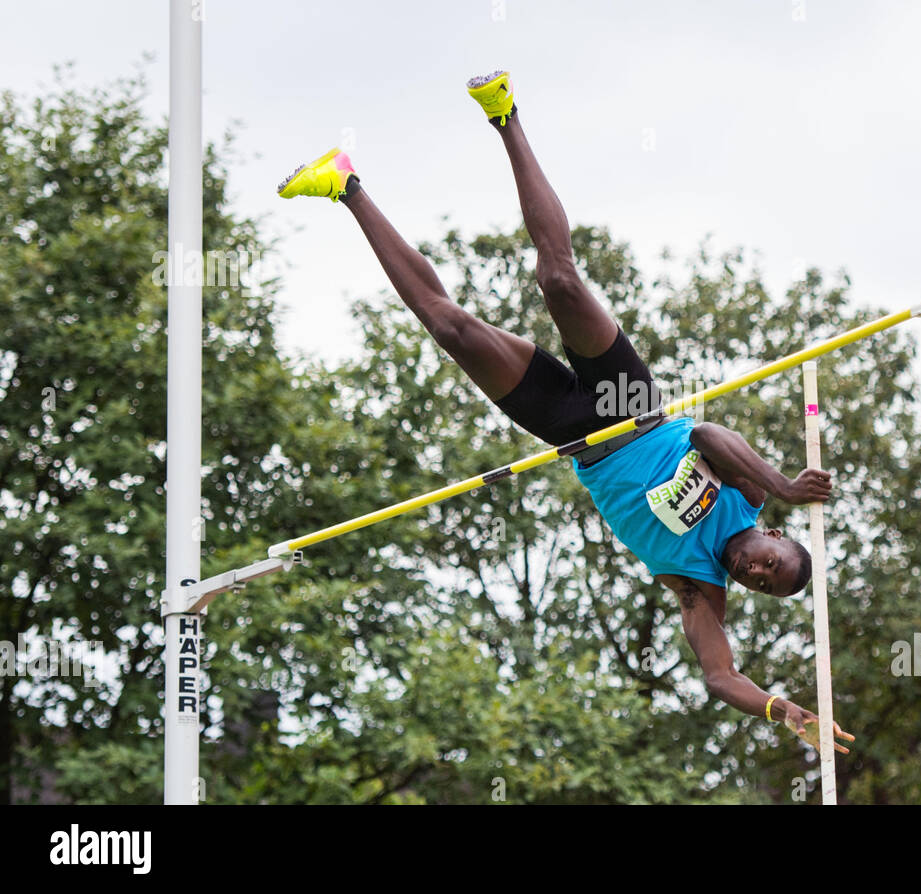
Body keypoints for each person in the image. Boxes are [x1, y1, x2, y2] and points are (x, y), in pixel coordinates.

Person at [277, 72, 852, 754]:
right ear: (778, 536)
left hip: (575, 435)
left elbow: (720, 677)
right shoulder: (749, 498)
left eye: (765, 585)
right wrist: (784, 484)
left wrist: (782, 711)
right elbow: (704, 432)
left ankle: (346, 186)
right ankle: (504, 113)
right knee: (557, 279)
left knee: (452, 329)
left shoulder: (699, 590)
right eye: (774, 562)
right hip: (631, 406)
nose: (758, 572)